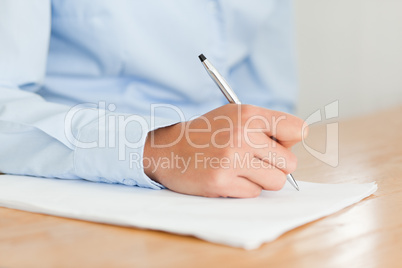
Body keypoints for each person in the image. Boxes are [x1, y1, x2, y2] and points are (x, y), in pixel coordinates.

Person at [0, 0, 306, 198]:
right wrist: (158, 148)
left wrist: (262, 149)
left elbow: (270, 97)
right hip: (86, 183)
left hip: (229, 191)